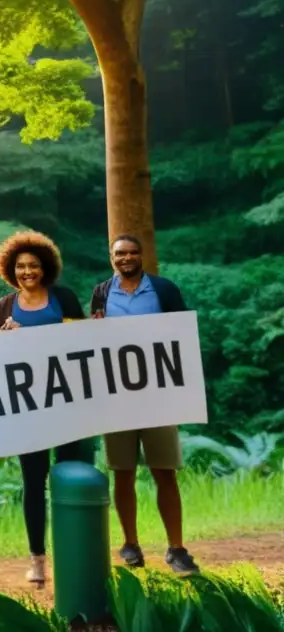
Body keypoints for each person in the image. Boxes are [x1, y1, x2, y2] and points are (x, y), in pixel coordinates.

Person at [90, 234, 200, 574]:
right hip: (117, 397)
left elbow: (181, 337)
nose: (126, 258)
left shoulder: (164, 289)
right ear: (112, 257)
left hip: (158, 397)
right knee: (122, 473)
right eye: (120, 253)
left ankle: (177, 549)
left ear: (142, 255)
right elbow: (90, 343)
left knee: (164, 472)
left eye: (133, 252)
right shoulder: (101, 293)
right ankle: (130, 544)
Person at [0, 230, 92, 587]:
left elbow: (84, 345)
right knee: (34, 484)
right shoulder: (3, 307)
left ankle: (74, 552)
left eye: (33, 265)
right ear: (10, 269)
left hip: (67, 406)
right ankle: (38, 560)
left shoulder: (63, 298)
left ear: (45, 267)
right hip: (27, 410)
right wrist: (1, 338)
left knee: (69, 479)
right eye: (20, 266)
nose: (27, 272)